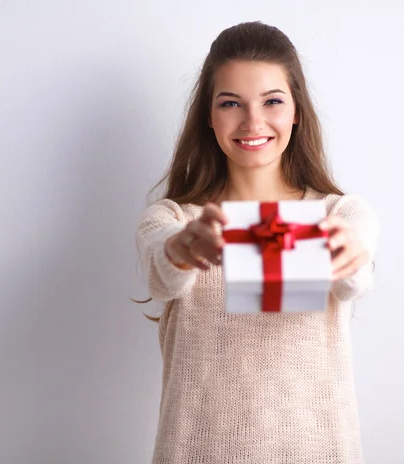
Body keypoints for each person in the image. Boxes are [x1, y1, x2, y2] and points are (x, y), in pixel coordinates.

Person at [134, 21, 380, 463]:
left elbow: (353, 278)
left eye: (272, 101)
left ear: (296, 111)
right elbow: (160, 270)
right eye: (231, 103)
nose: (253, 121)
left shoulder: (338, 215)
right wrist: (181, 250)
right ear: (209, 116)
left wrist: (350, 255)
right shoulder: (173, 218)